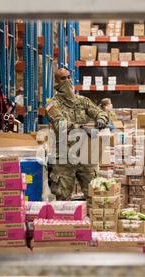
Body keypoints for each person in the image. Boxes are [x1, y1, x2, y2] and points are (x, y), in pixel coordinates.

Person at [46, 68, 109, 200]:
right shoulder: (52, 105)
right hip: (65, 159)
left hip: (85, 155)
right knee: (62, 199)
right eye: (63, 79)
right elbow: (61, 124)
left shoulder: (82, 101)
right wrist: (81, 127)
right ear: (56, 83)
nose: (68, 81)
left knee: (95, 195)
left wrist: (101, 119)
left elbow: (98, 112)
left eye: (69, 77)